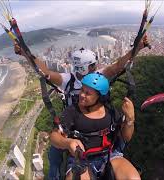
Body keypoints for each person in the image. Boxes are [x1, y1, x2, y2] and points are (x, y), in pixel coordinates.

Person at [15, 35, 148, 179]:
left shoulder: (99, 81)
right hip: (74, 123)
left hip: (101, 137)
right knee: (54, 157)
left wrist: (137, 48)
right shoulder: (68, 81)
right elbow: (45, 72)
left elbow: (118, 66)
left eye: (88, 92)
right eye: (92, 65)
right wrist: (26, 54)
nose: (82, 95)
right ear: (86, 67)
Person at [50, 73, 141, 180]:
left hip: (110, 155)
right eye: (82, 90)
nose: (82, 95)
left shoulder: (110, 112)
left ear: (100, 97)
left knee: (133, 178)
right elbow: (54, 136)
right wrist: (68, 143)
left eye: (87, 93)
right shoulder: (72, 112)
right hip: (81, 159)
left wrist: (130, 119)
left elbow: (126, 137)